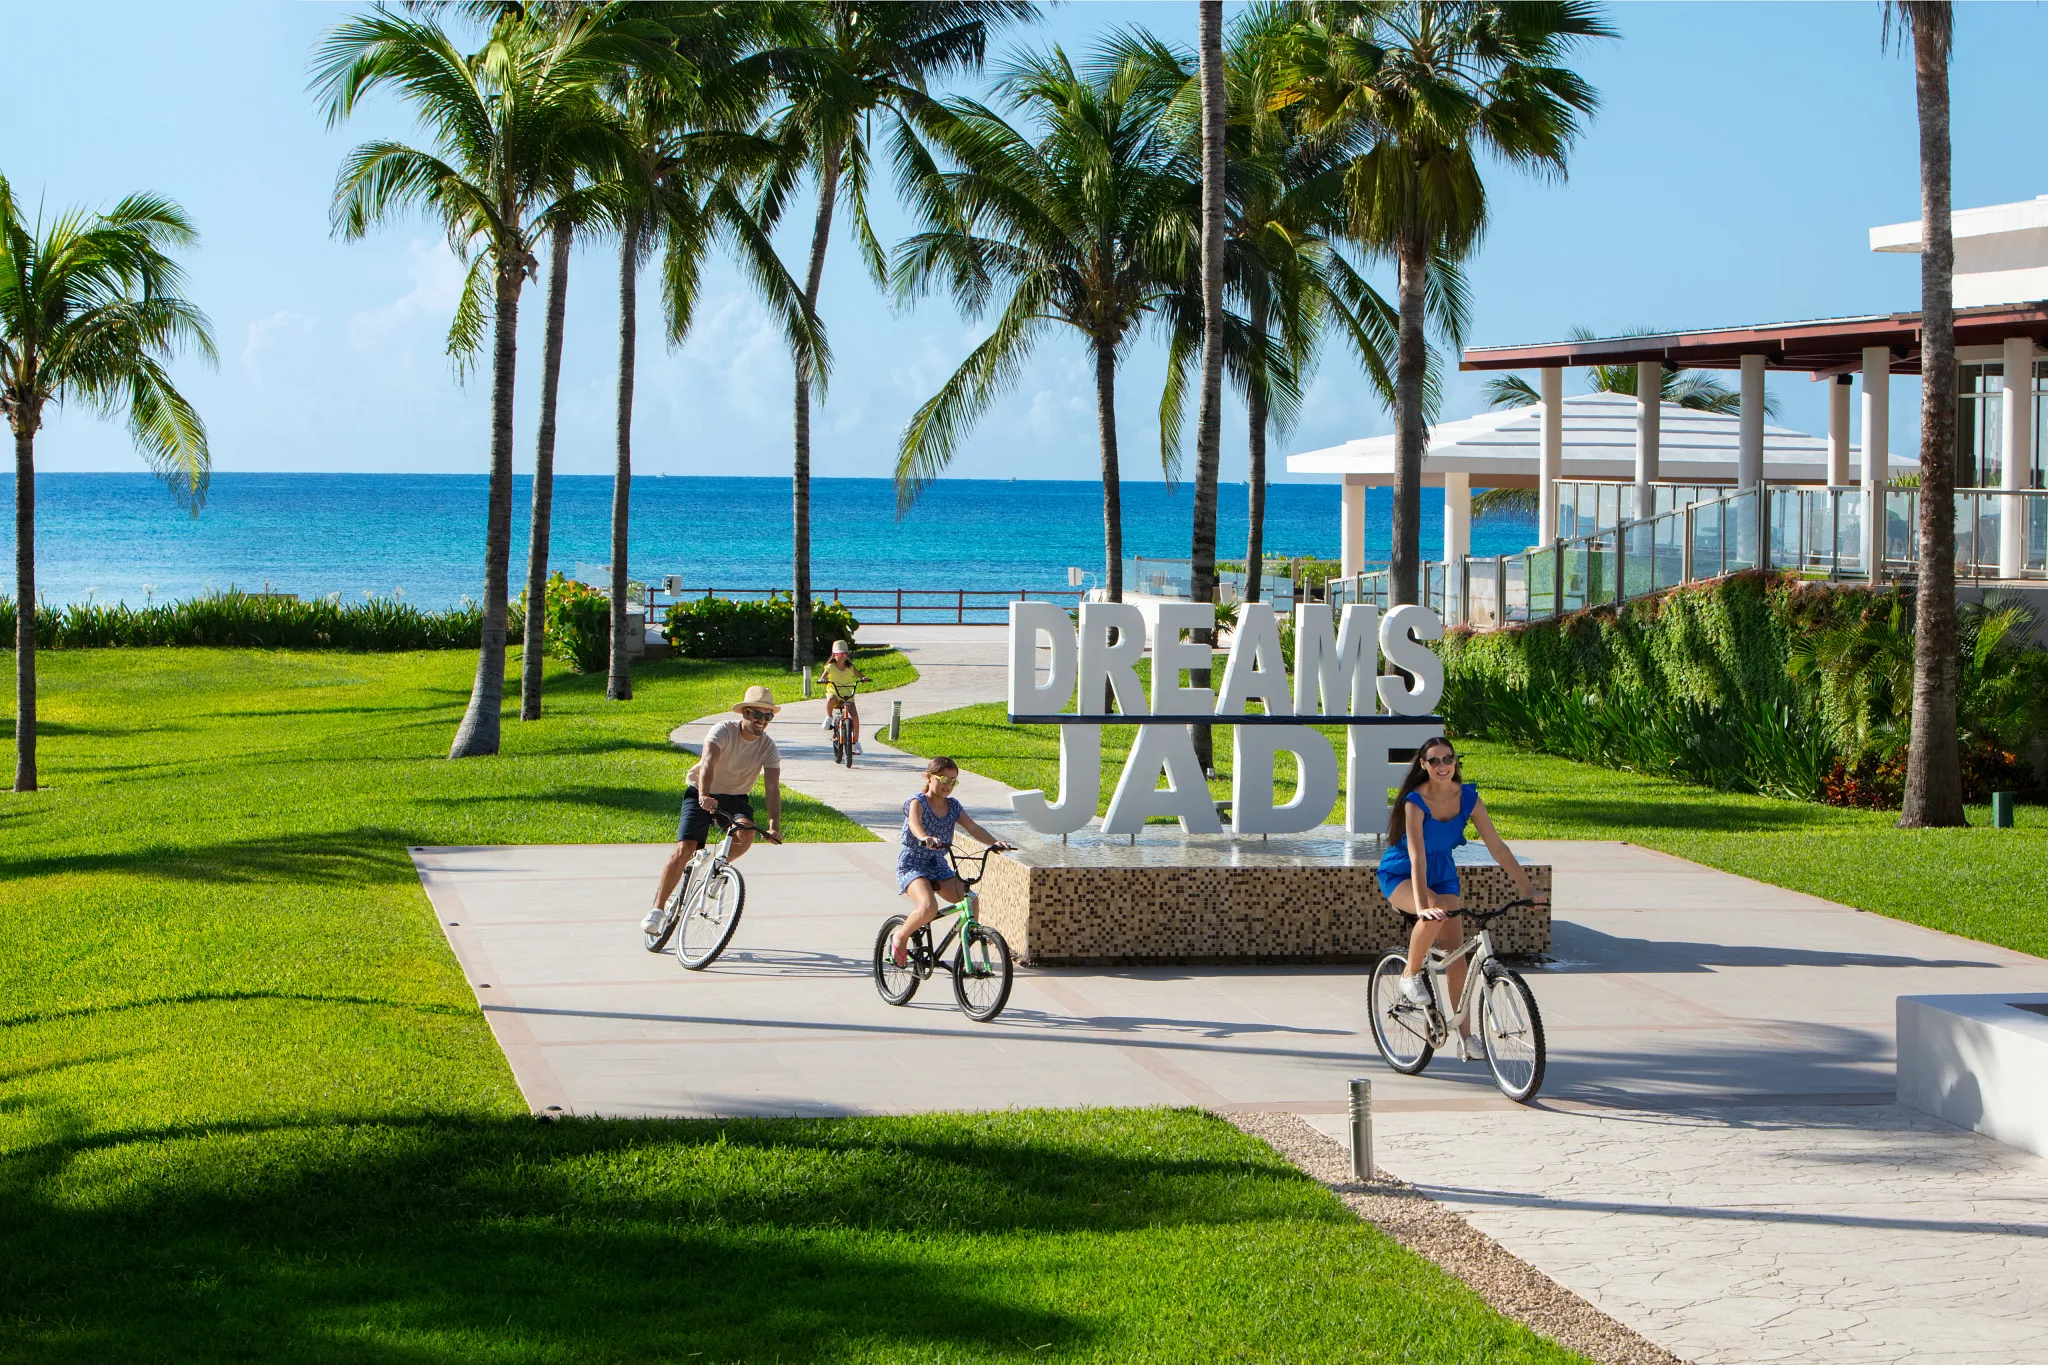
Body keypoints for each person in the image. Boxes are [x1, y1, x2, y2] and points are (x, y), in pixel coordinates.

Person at [1375, 736, 1546, 1059]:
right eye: (1435, 760)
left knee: (1456, 955)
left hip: (1443, 873)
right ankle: (1410, 974)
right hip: (1402, 874)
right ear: (1423, 765)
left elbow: (1498, 848)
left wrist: (1528, 889)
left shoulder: (1468, 798)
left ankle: (1465, 1038)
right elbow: (1417, 858)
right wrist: (1424, 906)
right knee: (1435, 911)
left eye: (1448, 759)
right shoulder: (1415, 801)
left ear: (1455, 763)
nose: (1443, 766)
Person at [642, 684, 783, 934]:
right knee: (684, 849)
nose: (762, 721)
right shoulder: (724, 731)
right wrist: (704, 794)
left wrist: (774, 826)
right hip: (701, 790)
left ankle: (718, 868)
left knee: (747, 833)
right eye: (757, 714)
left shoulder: (768, 747)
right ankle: (657, 910)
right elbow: (708, 762)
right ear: (745, 713)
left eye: (767, 716)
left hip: (735, 796)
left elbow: (772, 787)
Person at [886, 756, 1013, 967]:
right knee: (928, 907)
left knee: (970, 900)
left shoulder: (953, 806)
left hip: (938, 864)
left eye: (954, 781)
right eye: (944, 779)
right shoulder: (917, 802)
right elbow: (915, 825)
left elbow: (973, 828)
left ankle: (967, 949)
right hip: (913, 863)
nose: (949, 785)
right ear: (929, 777)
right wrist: (924, 838)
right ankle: (900, 936)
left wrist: (994, 843)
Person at [819, 640, 869, 755]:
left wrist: (864, 678)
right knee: (831, 699)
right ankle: (829, 717)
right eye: (839, 654)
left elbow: (860, 674)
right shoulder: (830, 666)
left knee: (855, 717)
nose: (842, 657)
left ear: (847, 655)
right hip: (835, 691)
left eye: (844, 654)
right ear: (833, 655)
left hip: (847, 693)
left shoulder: (850, 667)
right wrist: (822, 680)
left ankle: (856, 742)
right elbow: (823, 676)